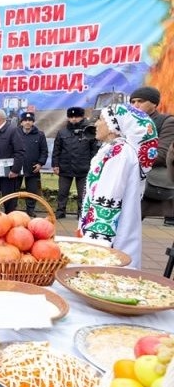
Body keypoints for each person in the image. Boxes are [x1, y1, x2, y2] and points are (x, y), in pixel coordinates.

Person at [79, 104, 157, 268]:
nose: (96, 124)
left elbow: (108, 197)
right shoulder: (111, 148)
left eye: (101, 119)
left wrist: (96, 244)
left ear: (114, 127)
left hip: (108, 239)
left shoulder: (119, 152)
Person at [129, 86, 174, 225]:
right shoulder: (128, 123)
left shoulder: (166, 121)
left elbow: (162, 155)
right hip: (128, 180)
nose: (135, 105)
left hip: (151, 183)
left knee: (130, 226)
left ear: (154, 103)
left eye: (140, 101)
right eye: (133, 102)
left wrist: (127, 157)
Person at [52, 106, 99, 219]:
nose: (73, 119)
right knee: (62, 192)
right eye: (71, 117)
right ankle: (60, 212)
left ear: (82, 117)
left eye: (76, 117)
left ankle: (81, 213)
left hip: (83, 168)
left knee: (83, 193)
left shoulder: (89, 131)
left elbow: (94, 150)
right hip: (65, 167)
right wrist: (55, 164)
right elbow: (57, 149)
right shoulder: (62, 132)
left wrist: (93, 165)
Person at [0, 108, 25, 213]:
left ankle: (10, 223)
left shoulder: (12, 130)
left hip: (9, 173)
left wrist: (15, 170)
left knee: (9, 201)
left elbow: (19, 151)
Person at [16, 111, 49, 217]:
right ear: (21, 122)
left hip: (33, 168)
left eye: (30, 120)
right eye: (25, 120)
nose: (27, 122)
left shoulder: (40, 135)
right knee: (13, 190)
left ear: (33, 122)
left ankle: (30, 210)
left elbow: (44, 151)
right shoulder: (15, 133)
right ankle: (13, 209)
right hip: (17, 167)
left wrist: (40, 164)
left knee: (32, 190)